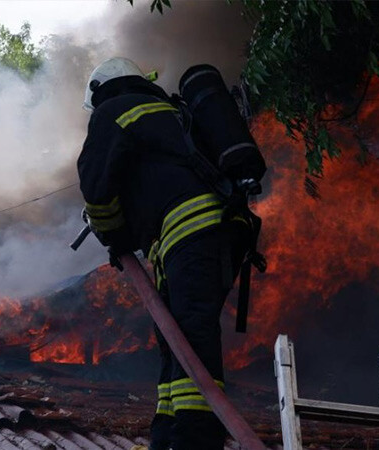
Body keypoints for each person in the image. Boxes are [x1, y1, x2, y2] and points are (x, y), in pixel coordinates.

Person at [76, 57, 251, 450]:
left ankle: (196, 439)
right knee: (177, 343)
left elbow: (96, 189)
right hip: (222, 229)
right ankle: (166, 435)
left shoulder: (112, 111)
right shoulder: (171, 111)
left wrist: (112, 235)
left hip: (190, 230)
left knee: (190, 331)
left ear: (101, 90)